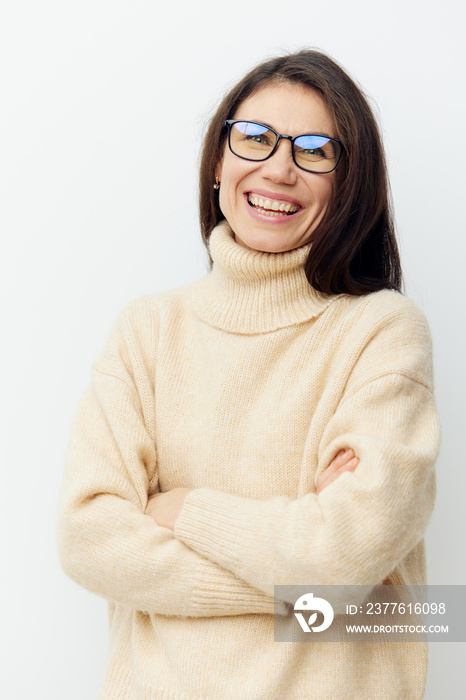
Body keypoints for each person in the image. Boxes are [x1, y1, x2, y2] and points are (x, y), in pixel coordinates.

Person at [56, 49, 441, 699]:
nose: (280, 168)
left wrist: (182, 511)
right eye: (256, 139)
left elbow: (341, 559)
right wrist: (312, 588)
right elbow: (87, 537)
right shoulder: (147, 332)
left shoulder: (382, 333)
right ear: (218, 161)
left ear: (349, 184)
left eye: (316, 150)